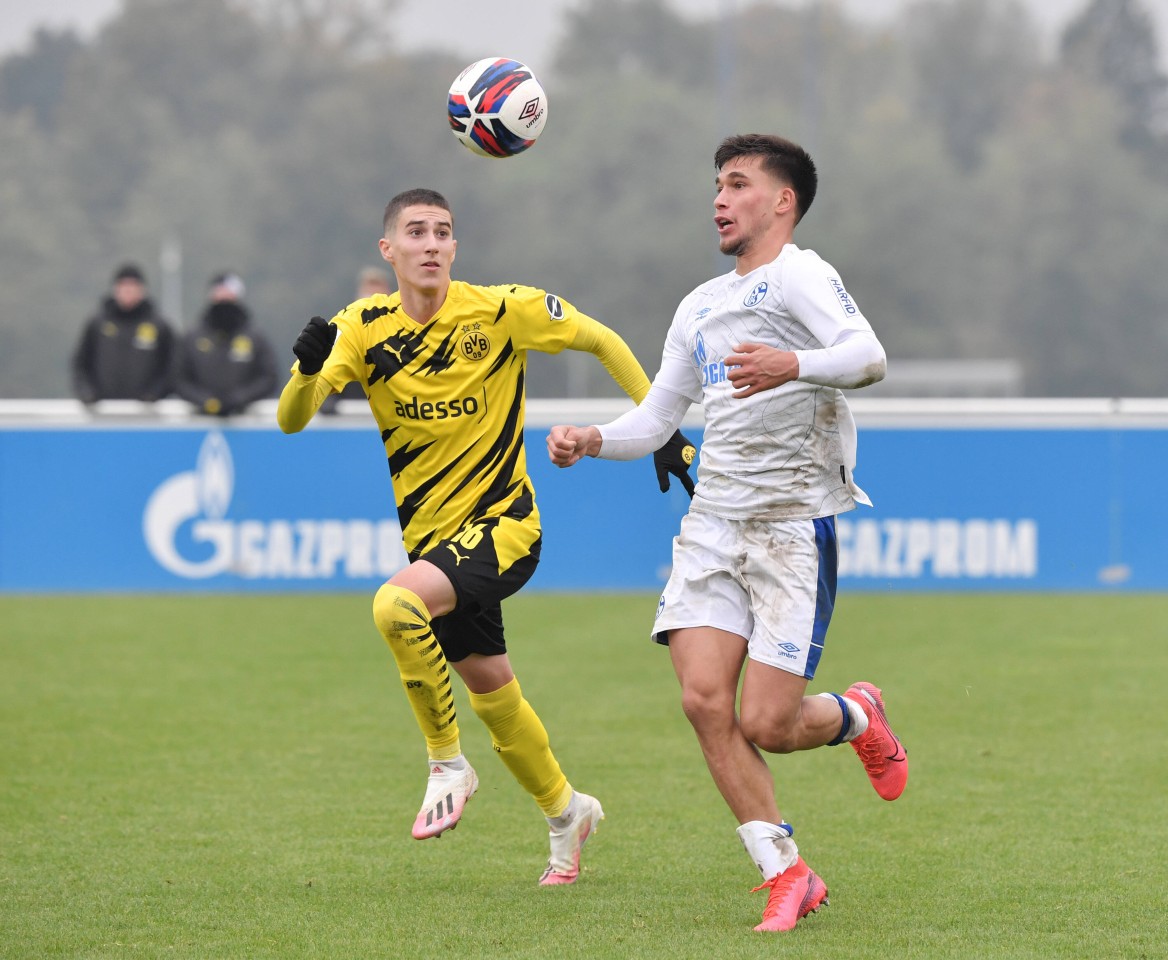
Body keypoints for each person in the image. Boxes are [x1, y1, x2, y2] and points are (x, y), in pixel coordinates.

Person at [277, 188, 694, 885]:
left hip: (504, 528)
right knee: (493, 692)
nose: (432, 243)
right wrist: (308, 369)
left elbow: (600, 338)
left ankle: (447, 763)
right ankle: (568, 813)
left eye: (443, 231)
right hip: (435, 547)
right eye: (416, 232)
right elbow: (292, 420)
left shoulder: (500, 310)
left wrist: (660, 425)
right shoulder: (361, 328)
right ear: (389, 251)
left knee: (393, 607)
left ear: (454, 248)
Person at [547, 134, 907, 931]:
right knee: (705, 700)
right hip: (712, 525)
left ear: (782, 202)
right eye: (716, 183)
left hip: (789, 529)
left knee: (768, 725)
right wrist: (593, 439)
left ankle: (854, 715)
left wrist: (794, 364)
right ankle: (787, 871)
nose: (719, 197)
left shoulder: (799, 275)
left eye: (737, 184)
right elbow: (657, 417)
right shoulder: (699, 304)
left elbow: (868, 356)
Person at [71, 263, 177, 405]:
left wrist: (155, 394)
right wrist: (87, 393)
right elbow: (80, 364)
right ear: (115, 289)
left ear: (142, 290)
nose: (128, 290)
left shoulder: (159, 326)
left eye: (132, 286)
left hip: (146, 414)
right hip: (103, 412)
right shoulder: (97, 324)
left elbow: (172, 367)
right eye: (123, 286)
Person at [176, 271, 277, 416]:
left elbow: (269, 378)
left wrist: (239, 398)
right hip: (199, 420)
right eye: (219, 291)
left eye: (228, 292)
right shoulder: (193, 337)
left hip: (245, 421)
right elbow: (179, 379)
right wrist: (204, 400)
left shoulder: (255, 338)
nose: (223, 297)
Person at [318, 266, 392, 415]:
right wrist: (327, 398)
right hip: (349, 418)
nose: (372, 296)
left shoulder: (402, 329)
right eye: (368, 289)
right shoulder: (344, 328)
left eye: (377, 290)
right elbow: (330, 369)